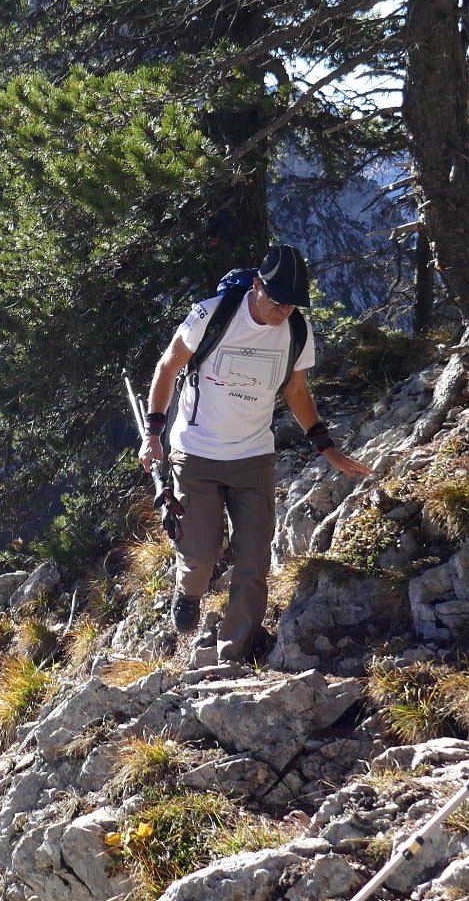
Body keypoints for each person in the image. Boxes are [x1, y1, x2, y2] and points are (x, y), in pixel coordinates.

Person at [140, 243, 370, 662]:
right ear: (258, 285)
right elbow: (168, 366)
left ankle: (233, 652)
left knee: (253, 559)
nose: (284, 312)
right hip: (196, 454)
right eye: (278, 301)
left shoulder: (297, 330)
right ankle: (188, 591)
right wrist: (153, 433)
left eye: (293, 305)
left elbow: (296, 390)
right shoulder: (213, 313)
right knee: (202, 553)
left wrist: (327, 448)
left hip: (253, 458)